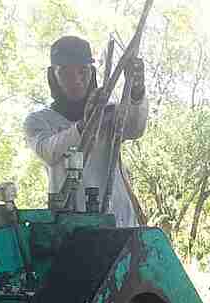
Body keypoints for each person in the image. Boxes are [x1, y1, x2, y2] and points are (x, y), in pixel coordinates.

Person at [24, 35, 148, 227]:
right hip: (73, 226)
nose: (76, 80)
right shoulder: (38, 121)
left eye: (82, 71)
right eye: (65, 72)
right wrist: (85, 125)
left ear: (92, 73)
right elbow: (49, 152)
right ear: (52, 76)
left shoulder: (109, 113)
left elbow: (135, 128)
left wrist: (137, 92)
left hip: (120, 221)